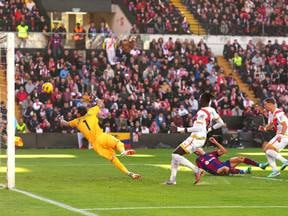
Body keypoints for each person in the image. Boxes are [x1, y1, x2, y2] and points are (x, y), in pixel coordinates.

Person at [60, 99, 141, 180]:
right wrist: (95, 99)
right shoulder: (91, 112)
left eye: (76, 112)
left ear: (78, 114)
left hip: (96, 145)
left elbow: (65, 123)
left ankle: (129, 173)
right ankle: (122, 151)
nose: (75, 113)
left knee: (113, 159)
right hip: (102, 136)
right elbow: (101, 103)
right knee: (118, 143)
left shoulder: (76, 122)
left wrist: (61, 119)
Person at [165, 92, 225, 185]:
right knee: (175, 156)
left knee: (175, 155)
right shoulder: (212, 110)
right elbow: (221, 123)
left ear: (203, 101)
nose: (199, 101)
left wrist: (180, 129)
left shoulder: (201, 112)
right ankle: (172, 180)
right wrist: (208, 129)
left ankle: (197, 170)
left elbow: (198, 128)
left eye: (200, 99)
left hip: (196, 137)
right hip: (201, 137)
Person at [195, 137, 266, 175]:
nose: (199, 149)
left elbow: (224, 151)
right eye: (197, 150)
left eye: (199, 148)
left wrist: (216, 143)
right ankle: (244, 172)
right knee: (225, 168)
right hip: (217, 171)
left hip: (223, 164)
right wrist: (200, 173)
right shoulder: (198, 160)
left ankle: (260, 165)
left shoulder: (210, 153)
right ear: (197, 152)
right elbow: (199, 169)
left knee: (239, 158)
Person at [258, 98, 288, 177]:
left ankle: (284, 161)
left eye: (265, 104)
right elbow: (271, 125)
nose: (264, 106)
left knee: (268, 150)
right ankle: (275, 170)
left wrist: (281, 135)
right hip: (280, 134)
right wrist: (264, 128)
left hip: (284, 135)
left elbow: (285, 125)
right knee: (267, 151)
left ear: (271, 104)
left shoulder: (279, 113)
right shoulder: (271, 113)